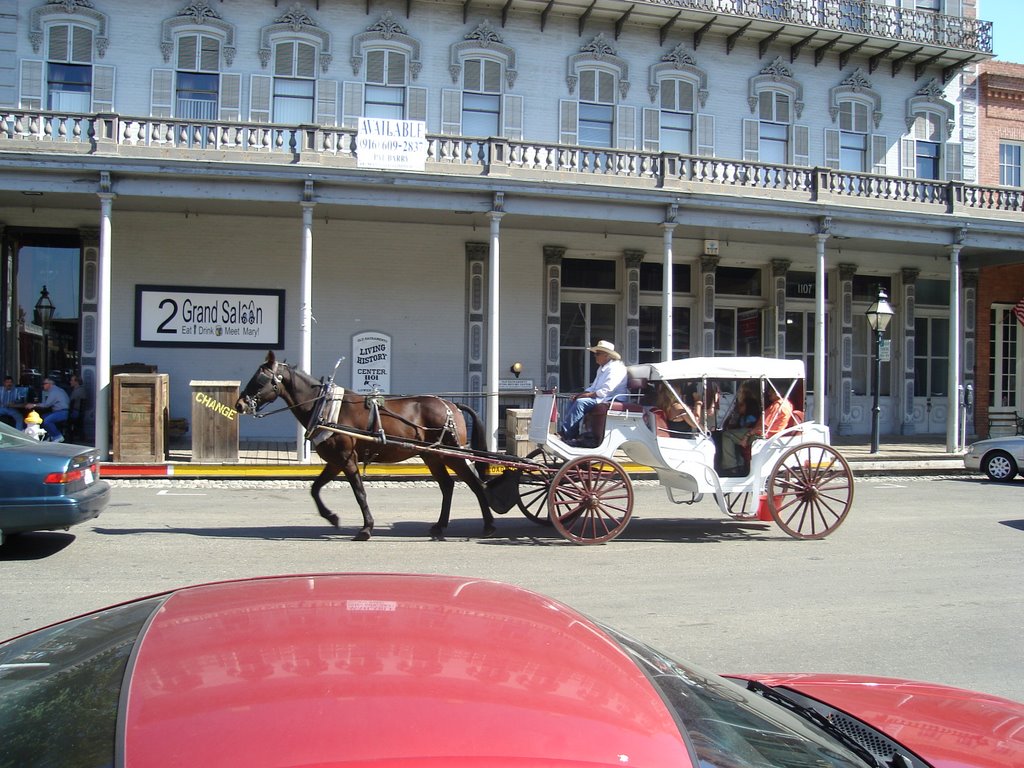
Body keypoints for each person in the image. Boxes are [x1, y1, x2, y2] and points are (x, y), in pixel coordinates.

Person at [559, 340, 627, 444]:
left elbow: (606, 390)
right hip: (601, 398)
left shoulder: (616, 368)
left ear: (607, 355)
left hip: (611, 399)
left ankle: (567, 434)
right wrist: (580, 395)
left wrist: (586, 396)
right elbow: (593, 387)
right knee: (573, 400)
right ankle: (571, 434)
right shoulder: (602, 368)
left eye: (597, 354)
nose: (595, 356)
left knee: (580, 403)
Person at [721, 384, 793, 475]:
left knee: (727, 435)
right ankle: (738, 463)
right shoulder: (788, 404)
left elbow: (765, 426)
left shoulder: (778, 405)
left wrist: (747, 435)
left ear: (777, 393)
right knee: (735, 433)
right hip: (766, 434)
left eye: (771, 391)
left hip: (762, 435)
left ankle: (731, 466)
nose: (769, 393)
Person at [24, 377, 71, 442]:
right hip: (61, 411)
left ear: (50, 384)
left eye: (44, 383)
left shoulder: (54, 391)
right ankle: (50, 436)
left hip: (62, 412)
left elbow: (46, 405)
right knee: (43, 417)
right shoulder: (57, 390)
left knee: (47, 421)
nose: (43, 385)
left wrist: (33, 405)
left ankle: (58, 436)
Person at [68, 374, 88, 439]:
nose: (70, 382)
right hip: (79, 412)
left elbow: (71, 403)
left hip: (75, 412)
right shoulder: (81, 390)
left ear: (76, 382)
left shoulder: (77, 392)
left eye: (71, 380)